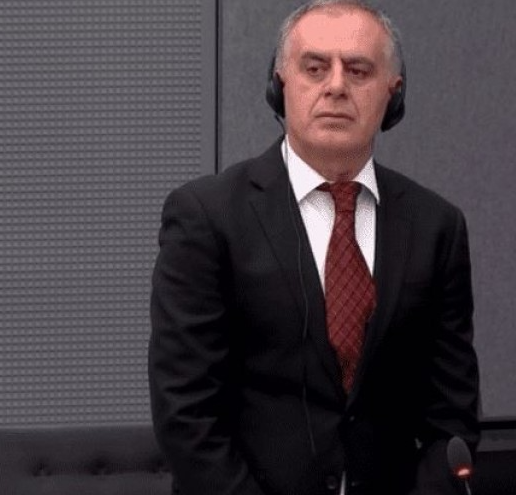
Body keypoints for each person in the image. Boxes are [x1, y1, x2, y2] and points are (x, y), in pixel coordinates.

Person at [148, 1, 480, 494]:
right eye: (315, 67)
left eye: (359, 70)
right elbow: (186, 412)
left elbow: (452, 416)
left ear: (393, 94)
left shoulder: (436, 226)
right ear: (279, 84)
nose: (336, 86)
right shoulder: (208, 216)